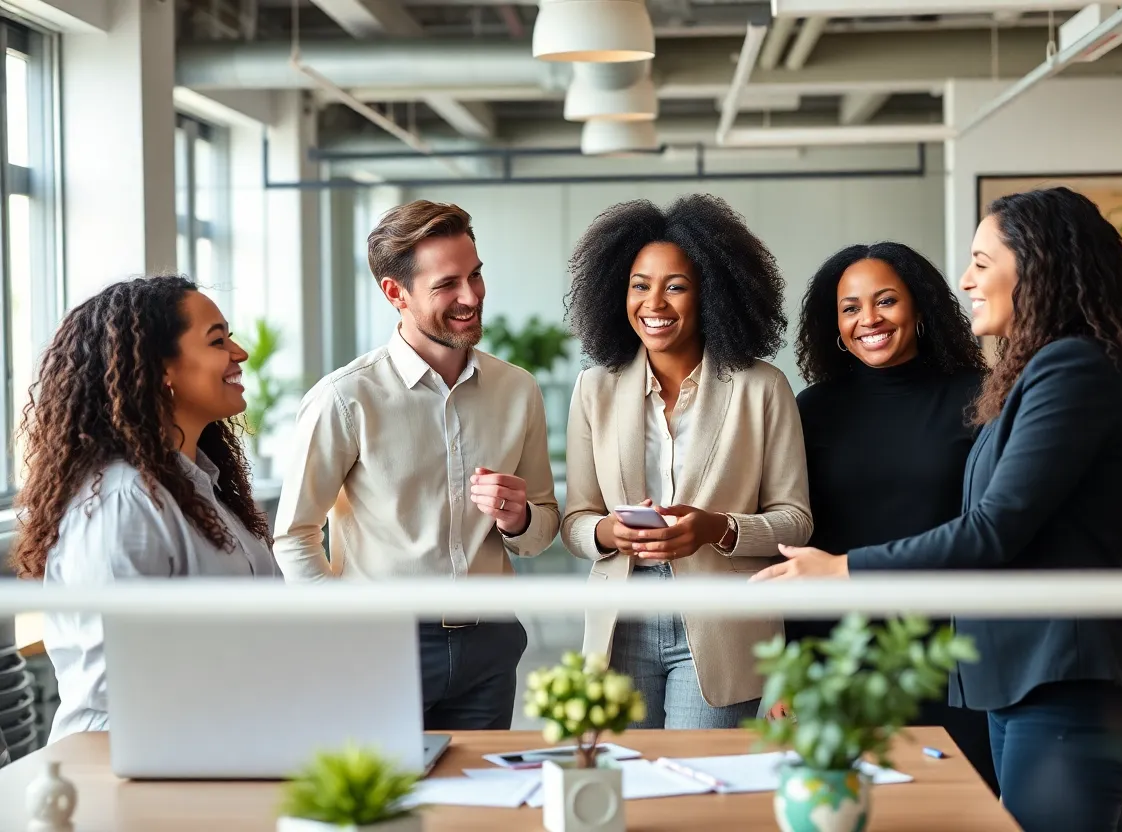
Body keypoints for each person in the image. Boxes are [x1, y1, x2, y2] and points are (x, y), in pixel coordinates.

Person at [756, 187, 1122, 832]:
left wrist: (841, 570)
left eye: (982, 262)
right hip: (1023, 678)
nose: (966, 279)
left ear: (1037, 263)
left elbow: (992, 530)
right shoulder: (1048, 369)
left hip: (1063, 677)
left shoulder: (1072, 368)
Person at [273, 200, 559, 731]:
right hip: (382, 645)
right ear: (394, 292)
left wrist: (518, 519)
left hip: (489, 645)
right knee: (384, 806)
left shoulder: (518, 390)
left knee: (474, 807)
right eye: (447, 284)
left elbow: (542, 527)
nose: (470, 297)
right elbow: (293, 536)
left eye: (475, 276)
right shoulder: (344, 399)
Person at [561, 194, 812, 729]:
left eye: (676, 286)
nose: (655, 303)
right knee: (627, 790)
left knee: (702, 802)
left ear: (711, 294)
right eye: (639, 285)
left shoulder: (761, 388)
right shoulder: (593, 390)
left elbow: (797, 522)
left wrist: (716, 529)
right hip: (622, 619)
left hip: (724, 624)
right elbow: (575, 520)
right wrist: (608, 531)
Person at [9, 276, 280, 743]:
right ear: (161, 369)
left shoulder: (200, 484)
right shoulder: (122, 500)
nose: (240, 353)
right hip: (130, 763)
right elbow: (118, 683)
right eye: (217, 340)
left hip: (217, 743)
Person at [784, 242, 997, 794]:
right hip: (838, 648)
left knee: (954, 805)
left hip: (946, 650)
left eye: (885, 301)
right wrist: (789, 669)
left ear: (920, 307)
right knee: (846, 805)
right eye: (850, 308)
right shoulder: (811, 409)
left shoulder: (980, 398)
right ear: (834, 323)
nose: (868, 320)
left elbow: (994, 525)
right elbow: (796, 533)